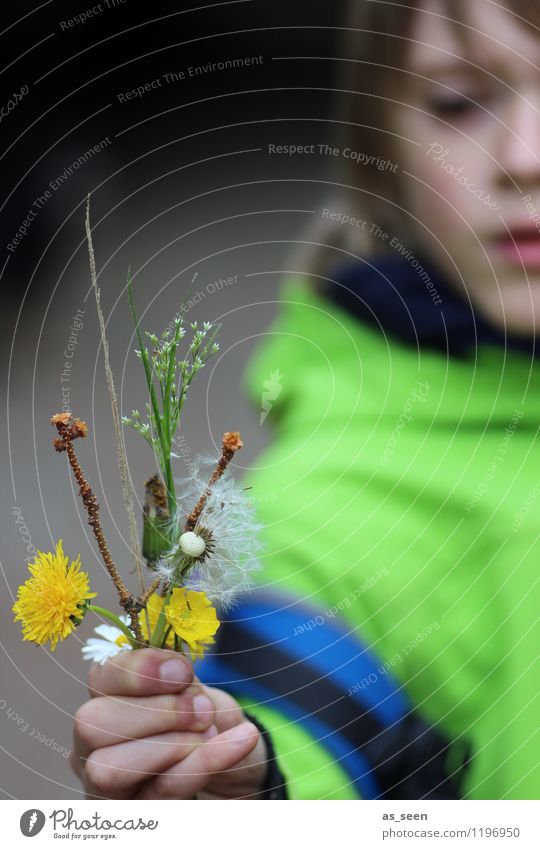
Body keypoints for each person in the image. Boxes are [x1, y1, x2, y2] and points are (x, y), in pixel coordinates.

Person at [71, 0, 540, 799]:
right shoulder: (331, 512)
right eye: (458, 102)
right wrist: (250, 778)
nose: (524, 156)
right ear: (378, 155)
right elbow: (291, 710)